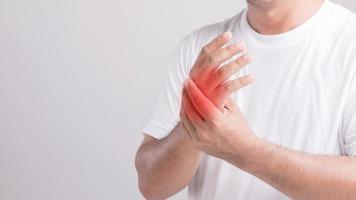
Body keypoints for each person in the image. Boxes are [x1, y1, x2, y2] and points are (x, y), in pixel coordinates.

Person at [135, 0, 356, 199]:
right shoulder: (199, 49)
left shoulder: (348, 45)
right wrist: (195, 121)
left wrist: (246, 152)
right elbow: (151, 186)